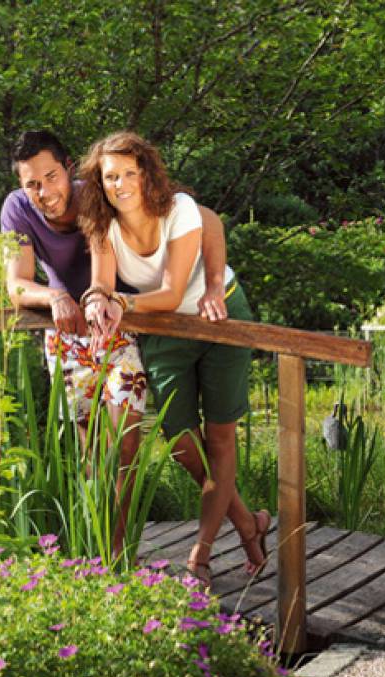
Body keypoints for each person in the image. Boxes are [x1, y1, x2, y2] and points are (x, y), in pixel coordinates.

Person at [1, 130, 252, 561]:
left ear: (67, 169)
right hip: (73, 333)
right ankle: (97, 551)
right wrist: (58, 295)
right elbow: (17, 285)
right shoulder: (22, 208)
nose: (45, 191)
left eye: (51, 177)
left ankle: (119, 554)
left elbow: (203, 219)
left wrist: (212, 282)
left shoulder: (100, 193)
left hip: (124, 323)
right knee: (90, 454)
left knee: (125, 445)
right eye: (32, 183)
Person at [76, 130, 268, 586]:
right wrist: (94, 299)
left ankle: (200, 553)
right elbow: (102, 282)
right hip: (164, 331)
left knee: (220, 438)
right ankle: (246, 522)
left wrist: (121, 303)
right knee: (182, 441)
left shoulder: (178, 209)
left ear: (145, 173)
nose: (119, 185)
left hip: (219, 318)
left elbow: (173, 292)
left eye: (127, 173)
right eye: (109, 177)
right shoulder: (101, 224)